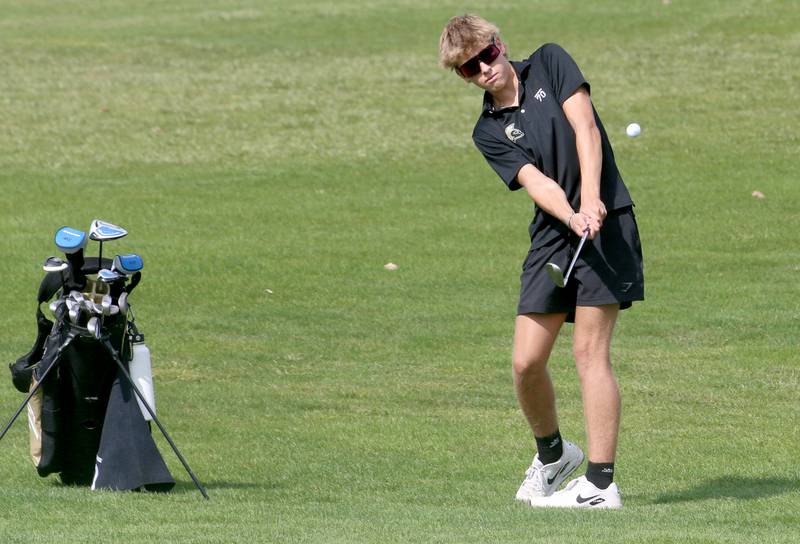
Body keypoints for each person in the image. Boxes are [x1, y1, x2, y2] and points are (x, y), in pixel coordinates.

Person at [438, 15, 644, 509]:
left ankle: (599, 484)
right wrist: (573, 215)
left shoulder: (551, 62)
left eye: (485, 56)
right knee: (526, 361)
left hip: (607, 221)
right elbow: (536, 182)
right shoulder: (488, 131)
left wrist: (592, 201)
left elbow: (585, 128)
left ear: (499, 45)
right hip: (556, 233)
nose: (483, 69)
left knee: (588, 353)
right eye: (469, 69)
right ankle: (553, 456)